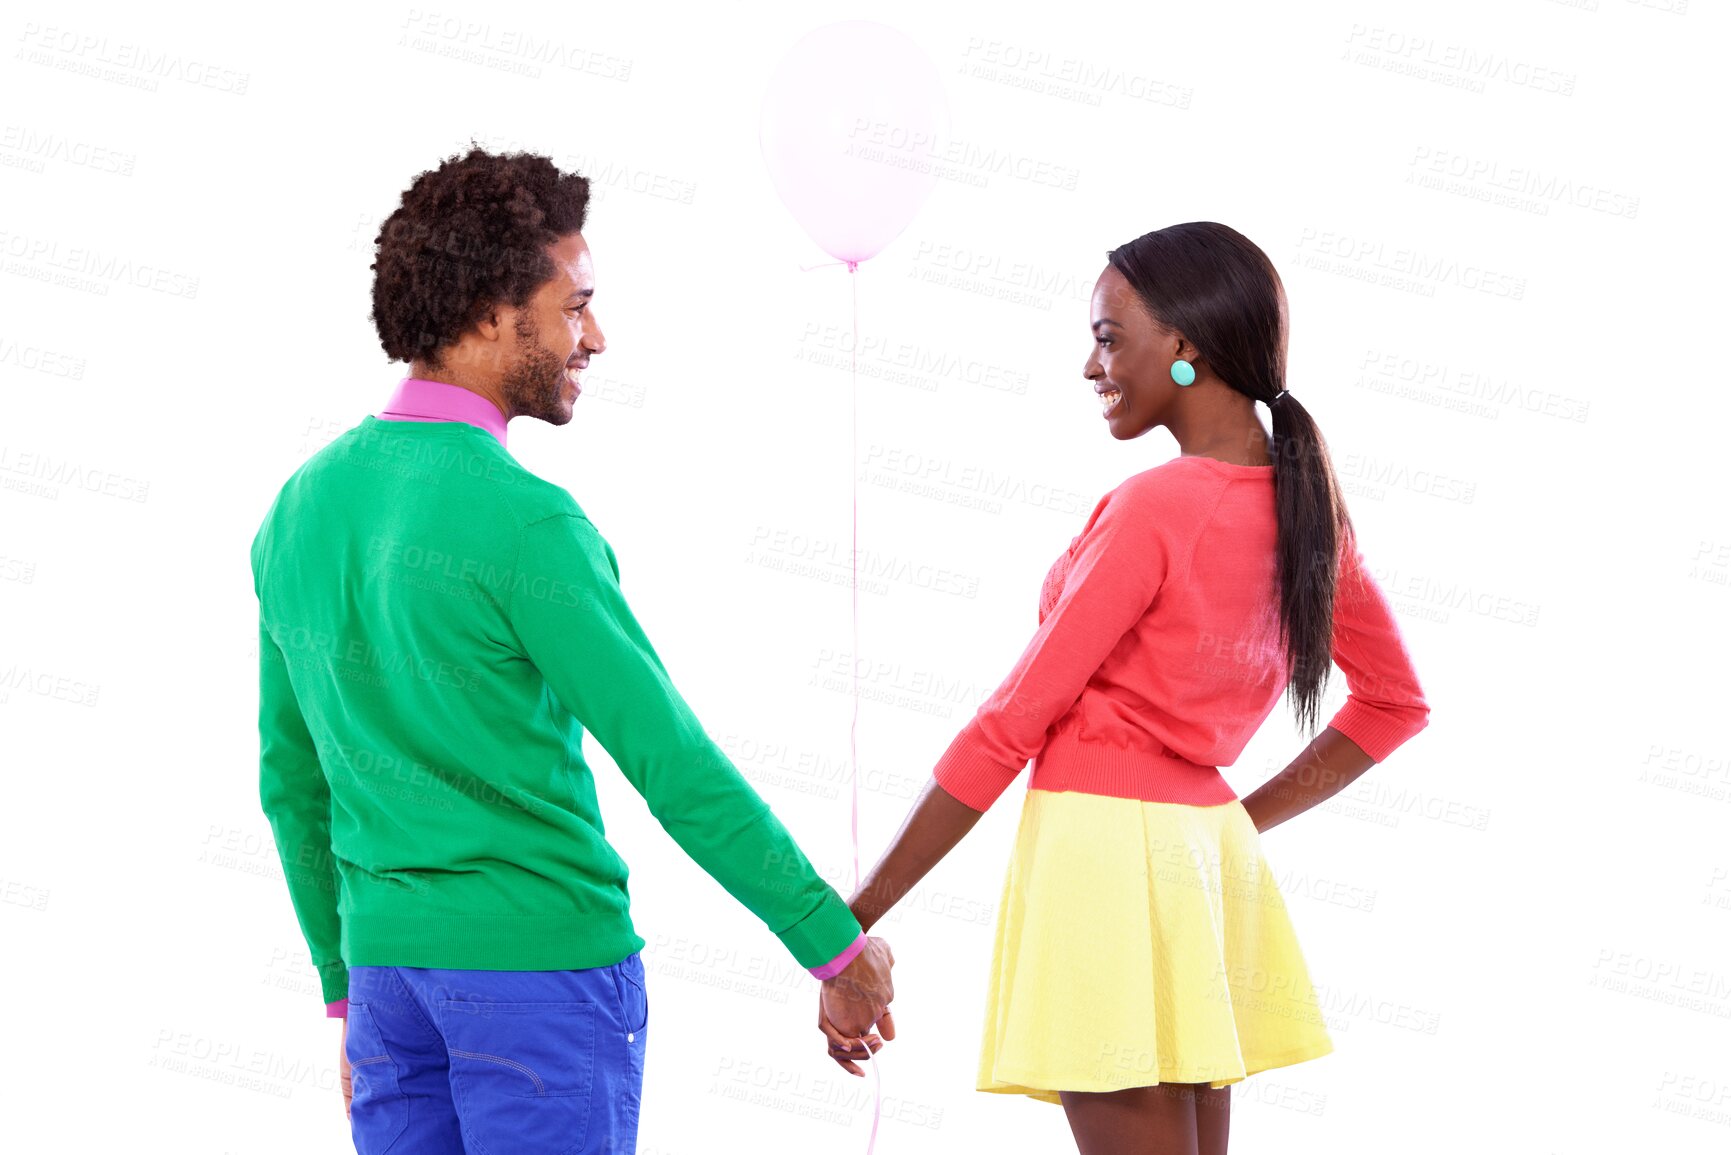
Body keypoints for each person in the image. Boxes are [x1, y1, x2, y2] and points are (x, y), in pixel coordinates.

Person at [250, 145, 894, 1155]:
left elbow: (292, 784)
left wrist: (344, 990)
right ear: (491, 314)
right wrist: (831, 944)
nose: (595, 335)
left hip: (386, 981)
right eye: (575, 305)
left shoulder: (300, 509)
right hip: (539, 979)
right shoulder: (526, 524)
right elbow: (671, 765)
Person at [832, 222, 1431, 1154]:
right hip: (1199, 865)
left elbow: (1007, 727)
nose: (1089, 365)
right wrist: (1231, 820)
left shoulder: (1156, 507)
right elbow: (1396, 702)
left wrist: (854, 915)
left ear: (1184, 346)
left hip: (1101, 861)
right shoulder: (1305, 509)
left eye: (1108, 337)